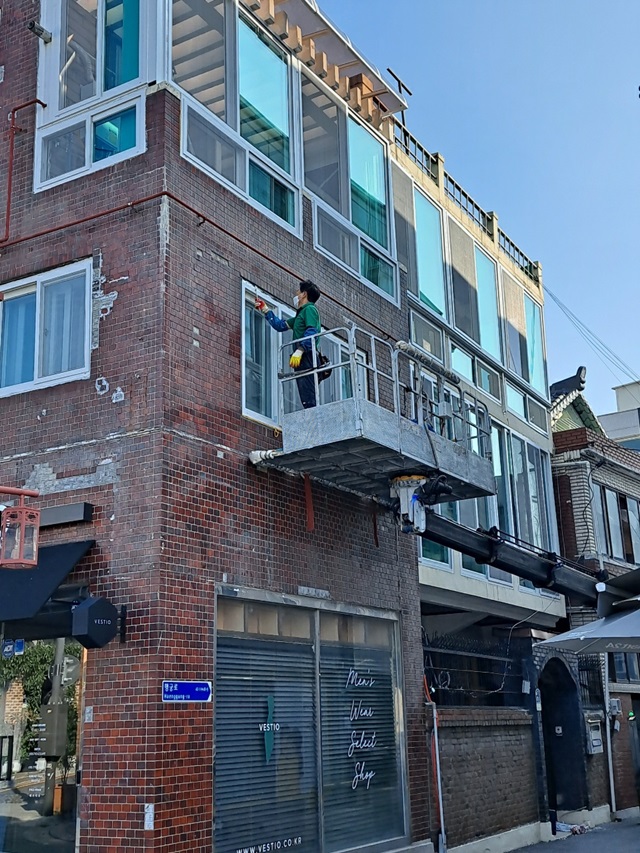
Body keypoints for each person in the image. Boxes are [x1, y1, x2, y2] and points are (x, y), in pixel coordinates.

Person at [255, 280, 321, 409]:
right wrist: (266, 310)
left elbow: (312, 332)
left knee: (309, 396)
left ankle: (314, 418)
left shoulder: (310, 309)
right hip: (304, 357)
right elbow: (280, 325)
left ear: (304, 294)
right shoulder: (300, 315)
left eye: (298, 292)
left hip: (307, 356)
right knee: (305, 394)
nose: (296, 295)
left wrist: (300, 350)